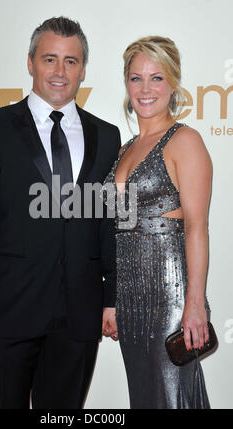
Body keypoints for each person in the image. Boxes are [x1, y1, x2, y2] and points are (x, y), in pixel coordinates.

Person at [0, 16, 120, 409]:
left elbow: (109, 223)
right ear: (30, 63)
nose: (60, 71)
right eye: (50, 59)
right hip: (7, 310)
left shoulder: (107, 137)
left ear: (83, 70)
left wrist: (112, 297)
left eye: (71, 61)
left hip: (79, 314)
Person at [102, 36, 212, 408]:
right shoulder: (123, 148)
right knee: (145, 397)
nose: (145, 89)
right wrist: (112, 300)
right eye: (136, 78)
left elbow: (197, 226)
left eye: (156, 78)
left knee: (170, 394)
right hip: (129, 300)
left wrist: (195, 302)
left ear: (174, 83)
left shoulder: (186, 141)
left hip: (169, 297)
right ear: (126, 83)